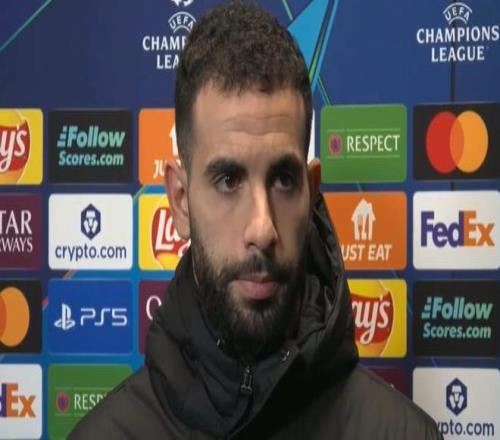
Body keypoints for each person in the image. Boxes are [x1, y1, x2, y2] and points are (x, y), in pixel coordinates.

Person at [71, 2, 442, 439]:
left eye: (284, 180)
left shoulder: (402, 434)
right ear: (181, 201)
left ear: (311, 191)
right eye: (228, 180)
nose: (263, 229)